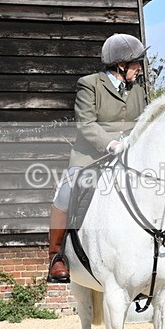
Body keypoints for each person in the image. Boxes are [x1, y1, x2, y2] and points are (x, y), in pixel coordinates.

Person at [47, 33, 150, 283]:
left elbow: (143, 122)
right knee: (67, 191)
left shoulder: (138, 90)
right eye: (136, 63)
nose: (140, 68)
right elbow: (86, 124)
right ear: (121, 65)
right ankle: (56, 256)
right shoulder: (89, 84)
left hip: (128, 158)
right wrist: (111, 144)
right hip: (91, 157)